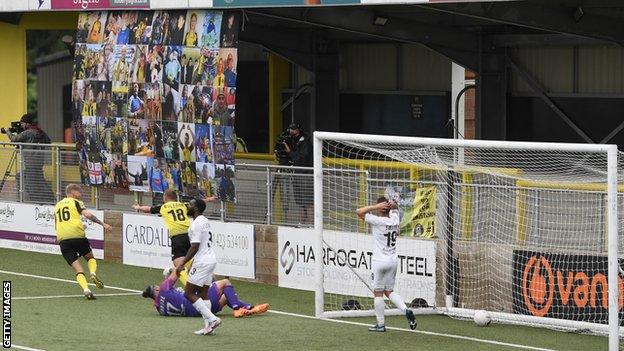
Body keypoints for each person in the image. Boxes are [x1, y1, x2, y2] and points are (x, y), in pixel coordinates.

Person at [356, 197, 417, 332]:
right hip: (393, 261)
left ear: (380, 209)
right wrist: (392, 204)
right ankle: (406, 310)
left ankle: (381, 325)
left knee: (378, 293)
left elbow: (359, 211)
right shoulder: (395, 219)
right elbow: (396, 208)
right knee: (389, 291)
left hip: (379, 262)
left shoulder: (377, 220)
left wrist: (375, 206)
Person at [54, 184, 112, 299]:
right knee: (90, 257)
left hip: (63, 240)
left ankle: (86, 290)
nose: (80, 195)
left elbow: (57, 225)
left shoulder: (57, 205)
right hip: (77, 236)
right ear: (73, 193)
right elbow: (88, 215)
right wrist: (103, 224)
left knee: (78, 268)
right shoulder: (75, 202)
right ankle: (93, 273)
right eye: (79, 193)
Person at [174, 198, 220, 335]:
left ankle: (212, 319)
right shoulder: (204, 220)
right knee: (203, 293)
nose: (188, 206)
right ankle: (208, 327)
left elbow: (195, 246)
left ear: (196, 208)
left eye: (191, 204)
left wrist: (182, 263)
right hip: (210, 259)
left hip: (203, 261)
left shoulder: (196, 224)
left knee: (188, 293)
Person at [142, 274, 269, 318]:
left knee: (226, 297)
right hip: (200, 303)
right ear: (157, 289)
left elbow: (159, 302)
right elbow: (177, 271)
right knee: (225, 283)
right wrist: (171, 271)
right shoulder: (163, 289)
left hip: (200, 312)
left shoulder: (160, 309)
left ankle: (249, 308)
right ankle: (237, 309)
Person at [6, 113, 54, 203]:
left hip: (30, 162)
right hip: (39, 162)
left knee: (33, 184)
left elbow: (14, 139)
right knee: (27, 177)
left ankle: (38, 201)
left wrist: (8, 131)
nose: (21, 125)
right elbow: (48, 141)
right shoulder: (40, 132)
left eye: (22, 123)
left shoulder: (27, 133)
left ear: (27, 124)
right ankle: (50, 198)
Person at [283, 123, 313, 224]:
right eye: (290, 130)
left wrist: (290, 152)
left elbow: (301, 159)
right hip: (297, 174)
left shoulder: (305, 142)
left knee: (308, 202)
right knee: (300, 202)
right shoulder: (293, 140)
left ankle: (311, 225)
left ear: (298, 130)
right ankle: (301, 224)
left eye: (294, 129)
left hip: (305, 175)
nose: (291, 132)